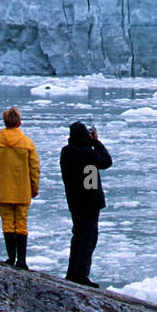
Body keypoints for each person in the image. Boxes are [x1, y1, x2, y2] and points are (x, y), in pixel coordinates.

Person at [0, 106, 40, 270]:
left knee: (7, 223)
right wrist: (34, 187)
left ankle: (11, 257)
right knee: (21, 223)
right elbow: (34, 168)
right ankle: (22, 260)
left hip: (2, 190)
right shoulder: (27, 143)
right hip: (23, 190)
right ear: (19, 122)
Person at [59, 120, 113, 287]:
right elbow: (106, 161)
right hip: (91, 201)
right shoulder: (88, 152)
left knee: (78, 235)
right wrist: (96, 142)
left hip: (74, 200)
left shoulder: (66, 152)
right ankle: (81, 274)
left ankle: (72, 272)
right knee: (88, 237)